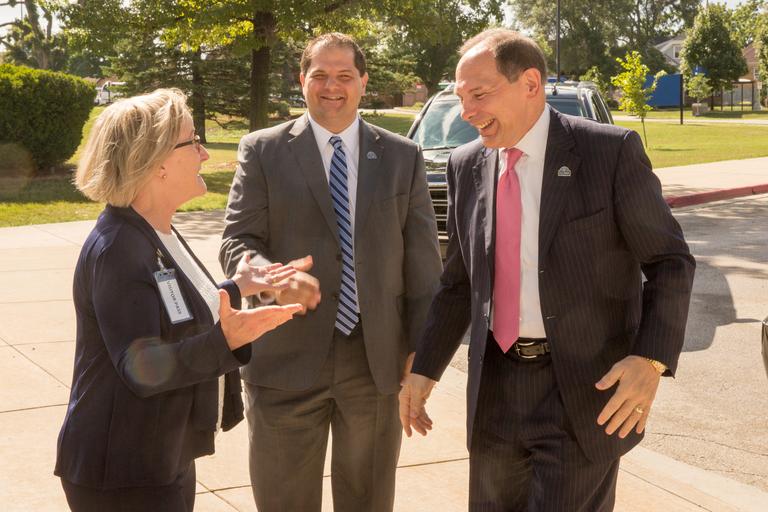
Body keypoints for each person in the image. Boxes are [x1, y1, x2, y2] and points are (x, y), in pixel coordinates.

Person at [400, 29, 696, 510]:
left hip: (582, 393)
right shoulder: (465, 164)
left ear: (530, 84)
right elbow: (458, 282)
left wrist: (651, 360)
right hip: (495, 391)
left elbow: (670, 262)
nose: (466, 111)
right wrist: (425, 368)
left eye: (479, 94)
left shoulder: (608, 152)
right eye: (460, 96)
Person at [219, 33, 442, 511]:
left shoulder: (402, 155)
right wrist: (274, 281)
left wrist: (422, 352)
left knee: (369, 500)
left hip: (376, 363)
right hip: (284, 360)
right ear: (302, 80)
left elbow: (423, 263)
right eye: (319, 75)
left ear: (363, 81)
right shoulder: (263, 150)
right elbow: (237, 242)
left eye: (344, 75)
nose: (331, 86)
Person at [54, 88, 302, 512]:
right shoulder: (119, 249)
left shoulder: (154, 230)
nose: (204, 154)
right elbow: (142, 367)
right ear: (157, 163)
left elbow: (171, 308)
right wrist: (226, 341)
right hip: (122, 472)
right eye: (193, 141)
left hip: (159, 456)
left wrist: (235, 287)